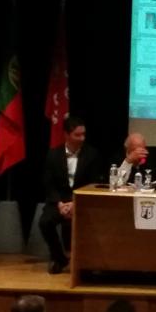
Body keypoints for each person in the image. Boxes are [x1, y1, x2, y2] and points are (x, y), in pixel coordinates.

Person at [40, 116, 102, 274]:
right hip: (59, 202)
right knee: (45, 222)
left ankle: (86, 262)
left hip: (81, 202)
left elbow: (93, 184)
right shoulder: (53, 155)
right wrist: (60, 204)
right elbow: (49, 184)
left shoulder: (92, 154)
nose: (82, 138)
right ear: (66, 135)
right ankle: (59, 258)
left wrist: (75, 203)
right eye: (77, 135)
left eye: (84, 134)